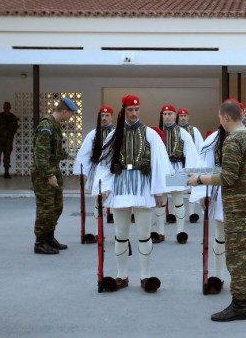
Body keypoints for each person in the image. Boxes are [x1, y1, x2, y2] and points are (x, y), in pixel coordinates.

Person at [187, 100, 246, 322]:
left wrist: (198, 179)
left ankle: (239, 304)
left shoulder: (232, 141)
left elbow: (228, 177)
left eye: (220, 119)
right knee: (240, 249)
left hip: (237, 205)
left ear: (226, 118)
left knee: (234, 254)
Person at [94, 94, 170, 293]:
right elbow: (104, 164)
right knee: (121, 235)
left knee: (144, 235)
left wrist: (158, 191)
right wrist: (102, 189)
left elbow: (160, 163)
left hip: (143, 187)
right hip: (121, 187)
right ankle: (122, 276)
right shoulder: (114, 135)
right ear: (124, 110)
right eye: (130, 110)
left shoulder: (150, 133)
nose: (134, 113)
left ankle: (145, 277)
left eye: (136, 110)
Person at [31, 97, 78, 255]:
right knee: (46, 208)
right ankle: (40, 242)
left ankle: (49, 237)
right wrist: (49, 175)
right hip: (43, 173)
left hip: (53, 170)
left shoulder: (55, 126)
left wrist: (69, 155)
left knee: (56, 207)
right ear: (64, 111)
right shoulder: (46, 126)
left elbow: (55, 150)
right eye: (70, 114)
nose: (70, 117)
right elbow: (40, 155)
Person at [154, 104, 197, 244]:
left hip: (177, 167)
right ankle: (160, 232)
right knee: (161, 201)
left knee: (178, 200)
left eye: (169, 113)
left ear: (175, 115)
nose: (167, 116)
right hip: (162, 169)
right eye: (165, 114)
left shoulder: (182, 132)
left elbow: (190, 152)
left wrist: (189, 171)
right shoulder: (156, 133)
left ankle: (180, 232)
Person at [73, 105, 115, 244]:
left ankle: (120, 233)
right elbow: (84, 153)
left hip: (114, 170)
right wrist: (83, 172)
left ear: (111, 116)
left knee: (117, 202)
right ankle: (99, 232)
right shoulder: (93, 134)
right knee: (98, 201)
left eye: (107, 115)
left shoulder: (117, 133)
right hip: (97, 170)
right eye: (102, 116)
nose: (104, 118)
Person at [177, 107, 205, 224]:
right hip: (178, 163)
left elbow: (200, 146)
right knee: (177, 189)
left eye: (185, 116)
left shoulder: (194, 130)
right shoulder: (174, 130)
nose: (183, 118)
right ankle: (175, 214)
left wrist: (199, 163)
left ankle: (192, 213)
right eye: (181, 116)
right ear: (178, 117)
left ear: (188, 117)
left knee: (192, 188)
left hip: (191, 162)